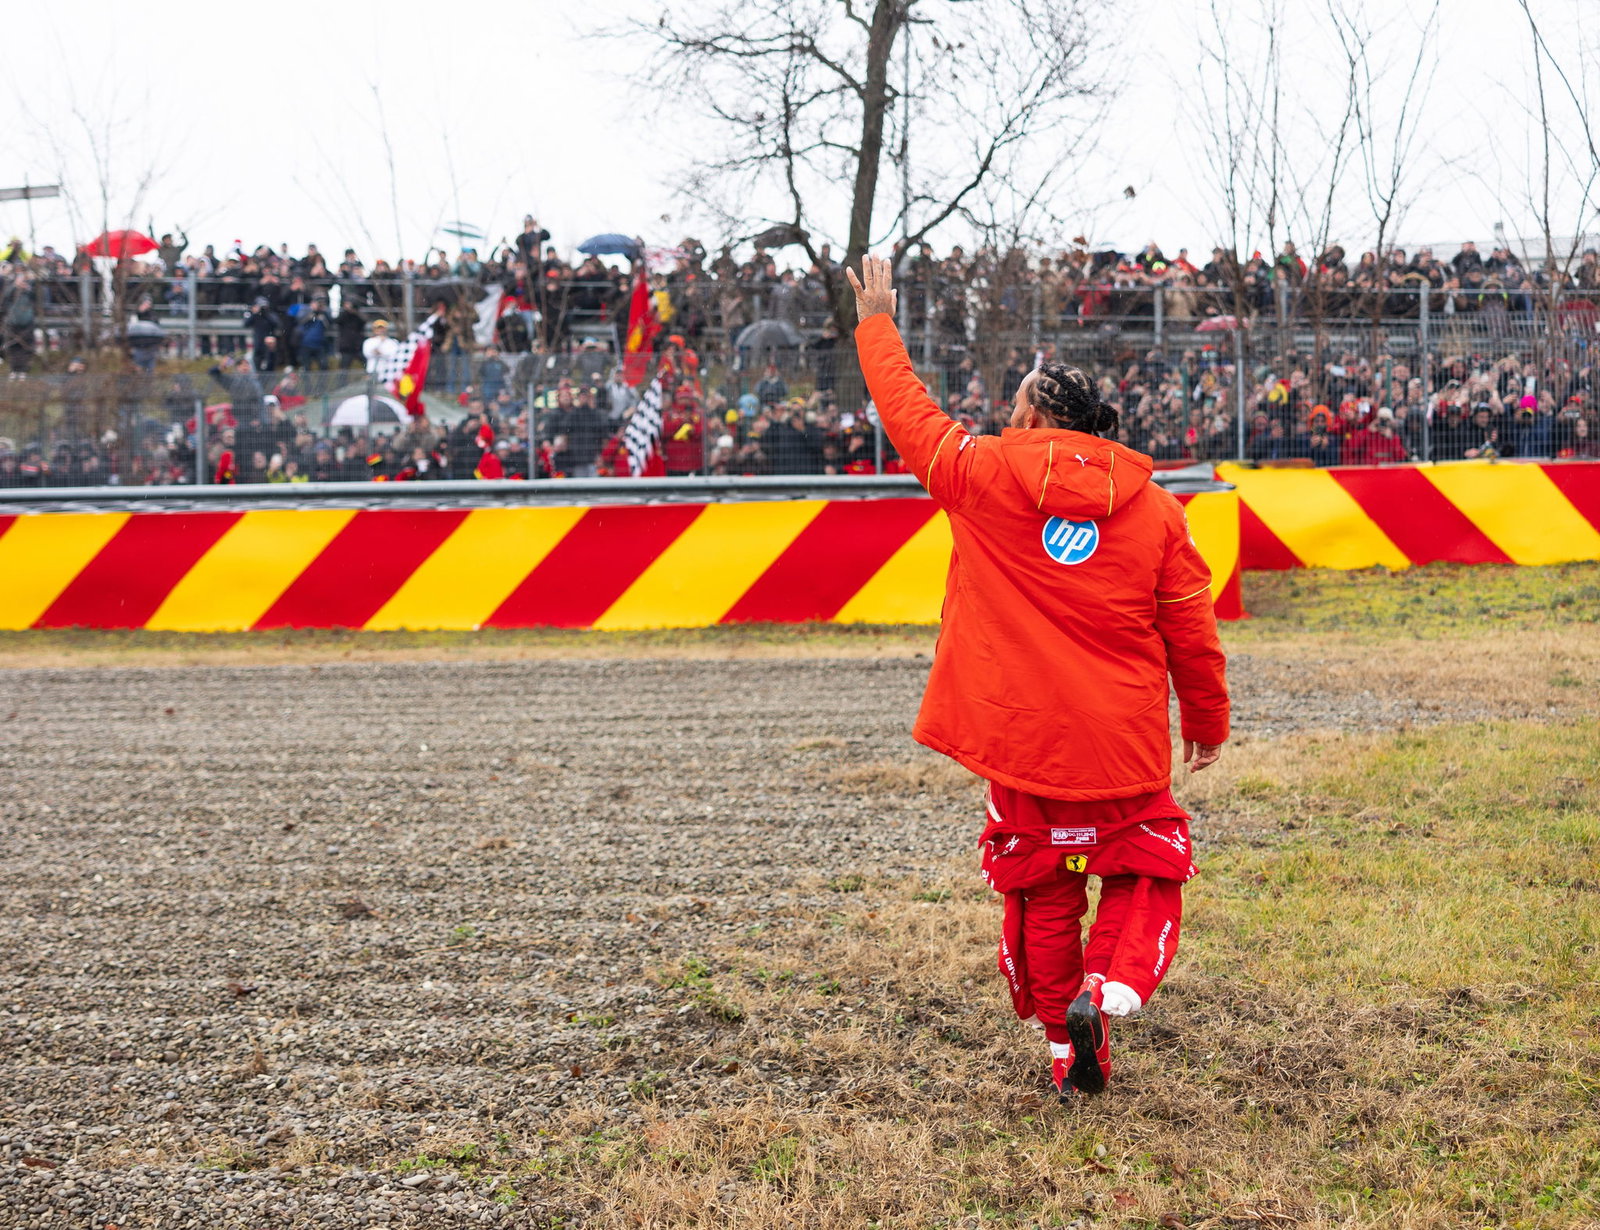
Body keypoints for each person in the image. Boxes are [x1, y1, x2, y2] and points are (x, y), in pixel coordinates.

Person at [847, 256, 1230, 1100]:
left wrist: (878, 321)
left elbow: (908, 415)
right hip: (1120, 744)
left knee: (1042, 889)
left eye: (1011, 404)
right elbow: (1191, 629)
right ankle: (1111, 989)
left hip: (1020, 744)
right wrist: (1204, 722)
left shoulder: (981, 474)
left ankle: (1065, 1043)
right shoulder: (1158, 508)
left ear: (1030, 412)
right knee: (1140, 871)